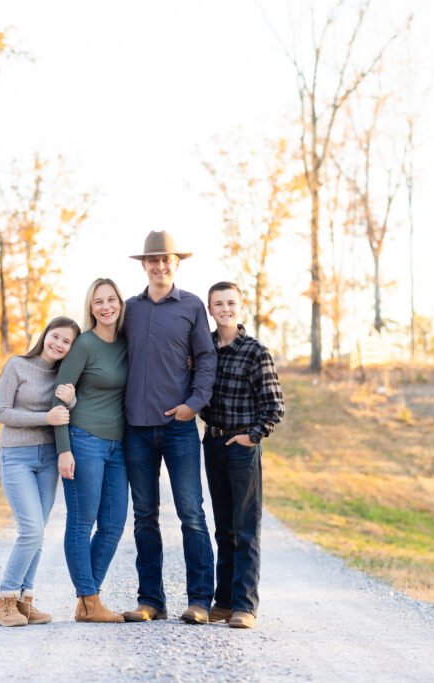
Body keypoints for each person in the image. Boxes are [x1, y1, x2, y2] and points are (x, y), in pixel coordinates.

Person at [120, 231, 218, 625]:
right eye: (154, 260)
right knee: (144, 515)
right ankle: (151, 601)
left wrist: (192, 405)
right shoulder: (128, 309)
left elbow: (206, 360)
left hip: (178, 428)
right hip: (136, 430)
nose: (161, 266)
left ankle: (200, 601)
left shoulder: (192, 306)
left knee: (191, 513)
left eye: (168, 260)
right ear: (144, 265)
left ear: (177, 264)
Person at [201, 282, 285, 629]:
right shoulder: (203, 349)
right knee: (223, 528)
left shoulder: (255, 352)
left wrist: (251, 438)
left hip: (242, 446)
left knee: (245, 527)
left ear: (241, 308)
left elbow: (274, 406)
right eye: (218, 304)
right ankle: (223, 602)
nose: (225, 309)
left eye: (231, 303)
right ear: (210, 309)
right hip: (213, 443)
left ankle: (245, 605)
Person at [0, 316, 81, 627]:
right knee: (30, 530)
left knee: (39, 534)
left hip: (47, 460)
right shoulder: (16, 365)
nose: (58, 344)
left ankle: (24, 602)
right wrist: (46, 418)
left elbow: (68, 414)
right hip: (16, 456)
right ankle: (4, 602)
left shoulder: (65, 376)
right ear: (45, 335)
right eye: (55, 336)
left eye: (66, 341)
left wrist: (73, 401)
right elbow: (1, 413)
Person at [53, 278, 129, 623]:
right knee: (82, 522)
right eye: (98, 301)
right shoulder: (83, 344)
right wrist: (63, 449)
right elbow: (60, 396)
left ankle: (88, 600)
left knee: (113, 525)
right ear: (91, 307)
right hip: (83, 439)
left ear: (120, 303)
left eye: (111, 299)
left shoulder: (127, 342)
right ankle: (89, 599)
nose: (106, 307)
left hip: (118, 445)